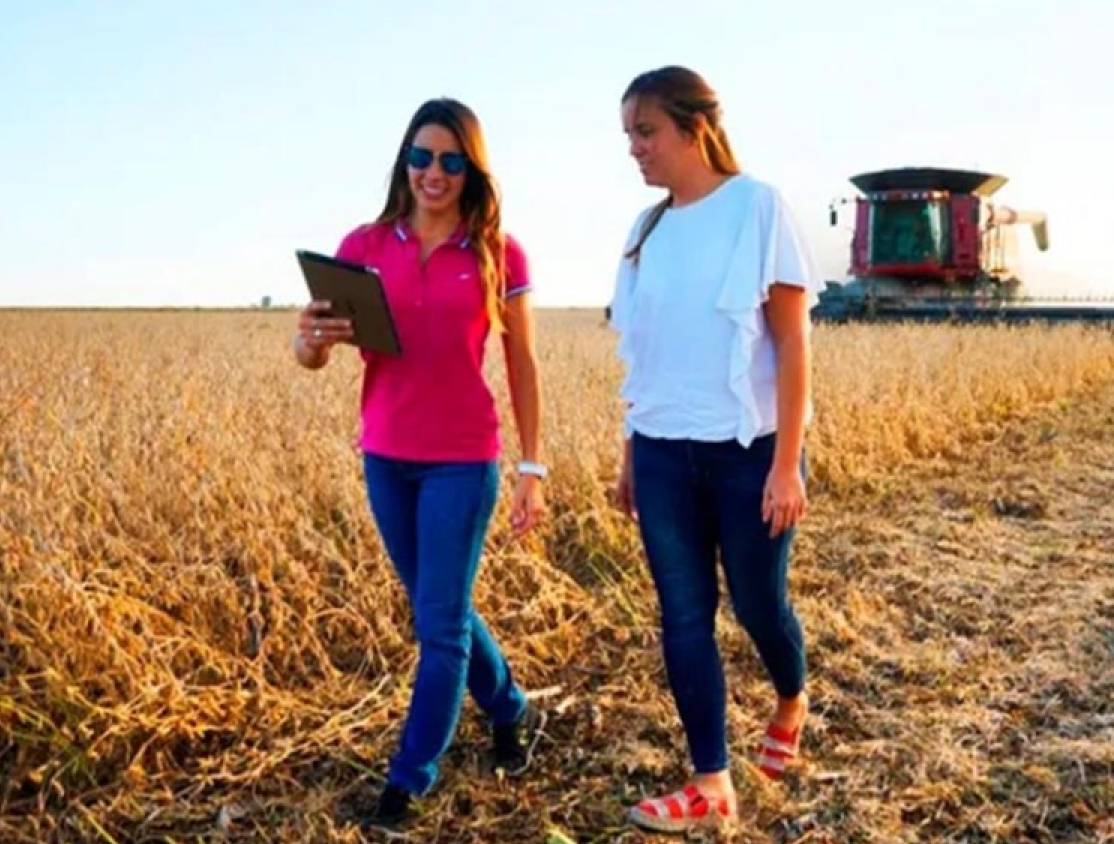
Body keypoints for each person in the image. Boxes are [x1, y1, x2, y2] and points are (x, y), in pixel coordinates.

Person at [291, 96, 550, 833]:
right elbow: (316, 356)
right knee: (445, 611)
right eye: (420, 156)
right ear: (403, 160)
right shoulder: (364, 243)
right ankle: (508, 707)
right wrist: (309, 340)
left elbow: (522, 362)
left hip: (463, 463)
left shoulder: (500, 252)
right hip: (385, 457)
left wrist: (534, 467)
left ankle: (407, 781)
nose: (433, 172)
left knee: (438, 628)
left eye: (451, 160)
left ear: (473, 169)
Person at [606, 65, 825, 834]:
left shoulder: (757, 208)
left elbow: (793, 343)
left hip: (746, 452)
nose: (635, 148)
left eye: (646, 131)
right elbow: (645, 352)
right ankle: (711, 782)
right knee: (683, 614)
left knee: (760, 604)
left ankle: (792, 697)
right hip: (663, 454)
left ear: (694, 128)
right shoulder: (645, 230)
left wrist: (787, 462)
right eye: (628, 133)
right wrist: (632, 450)